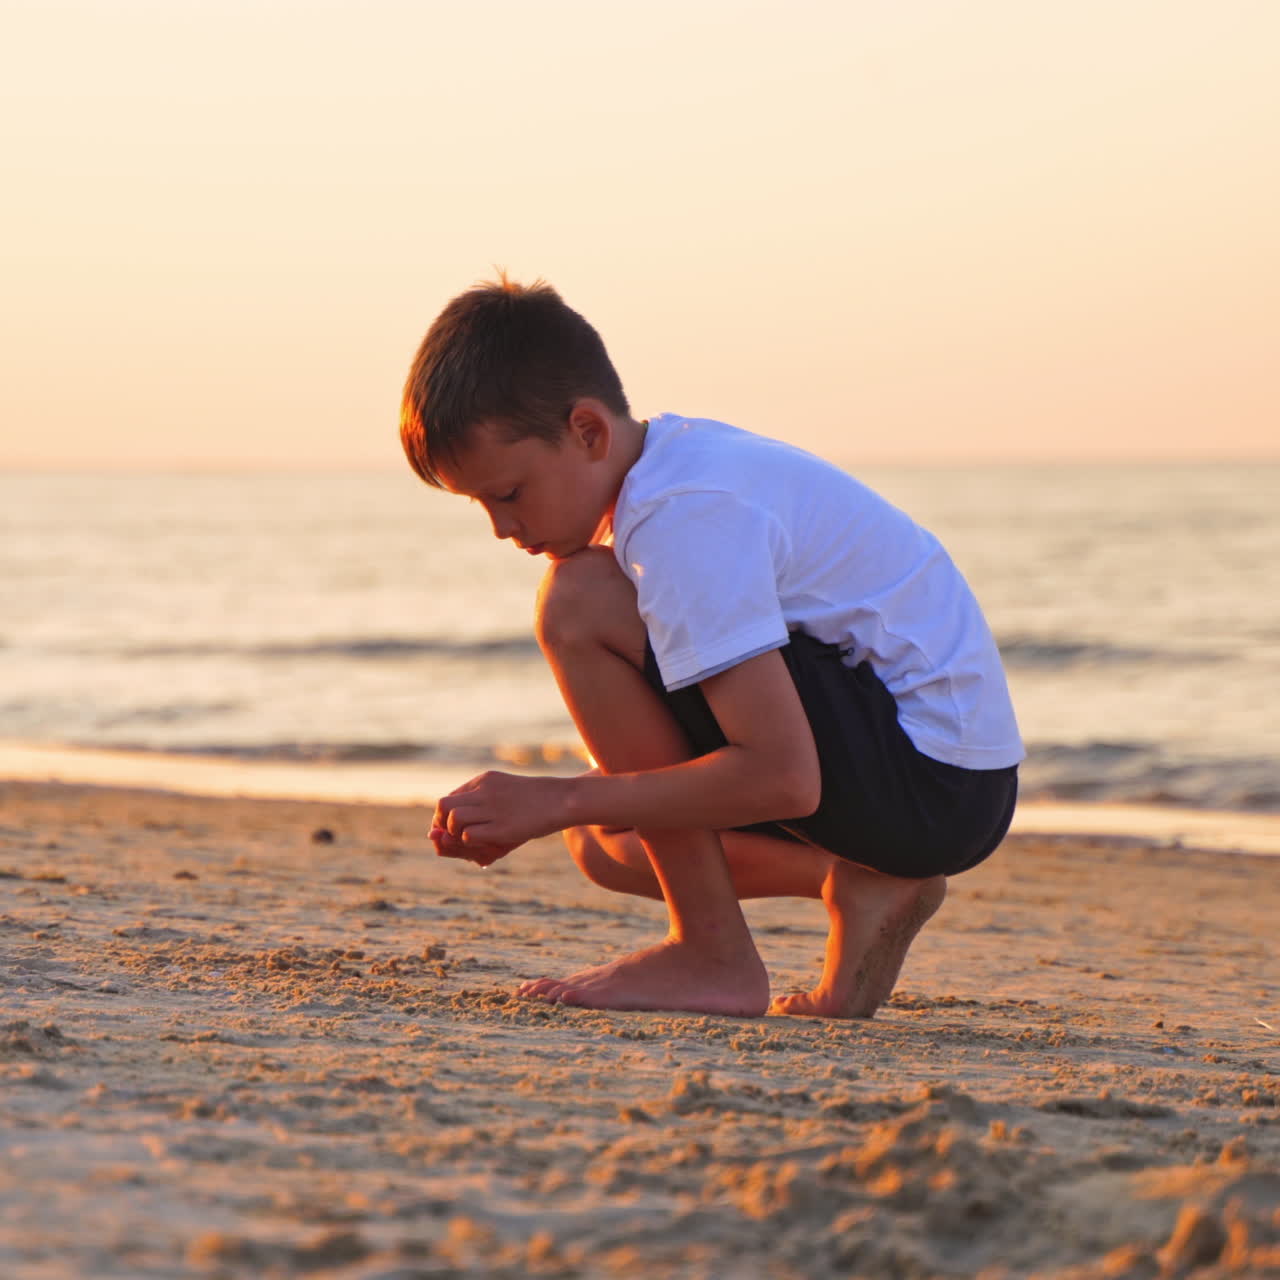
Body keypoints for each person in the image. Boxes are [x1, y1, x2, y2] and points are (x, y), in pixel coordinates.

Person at [399, 274, 1023, 1019]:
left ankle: (711, 952)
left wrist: (556, 796)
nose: (502, 528)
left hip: (931, 778)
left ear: (588, 431)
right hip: (948, 788)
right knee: (607, 842)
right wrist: (573, 809)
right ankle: (855, 879)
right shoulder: (675, 467)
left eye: (507, 494)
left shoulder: (680, 516)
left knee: (576, 604)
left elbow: (785, 778)